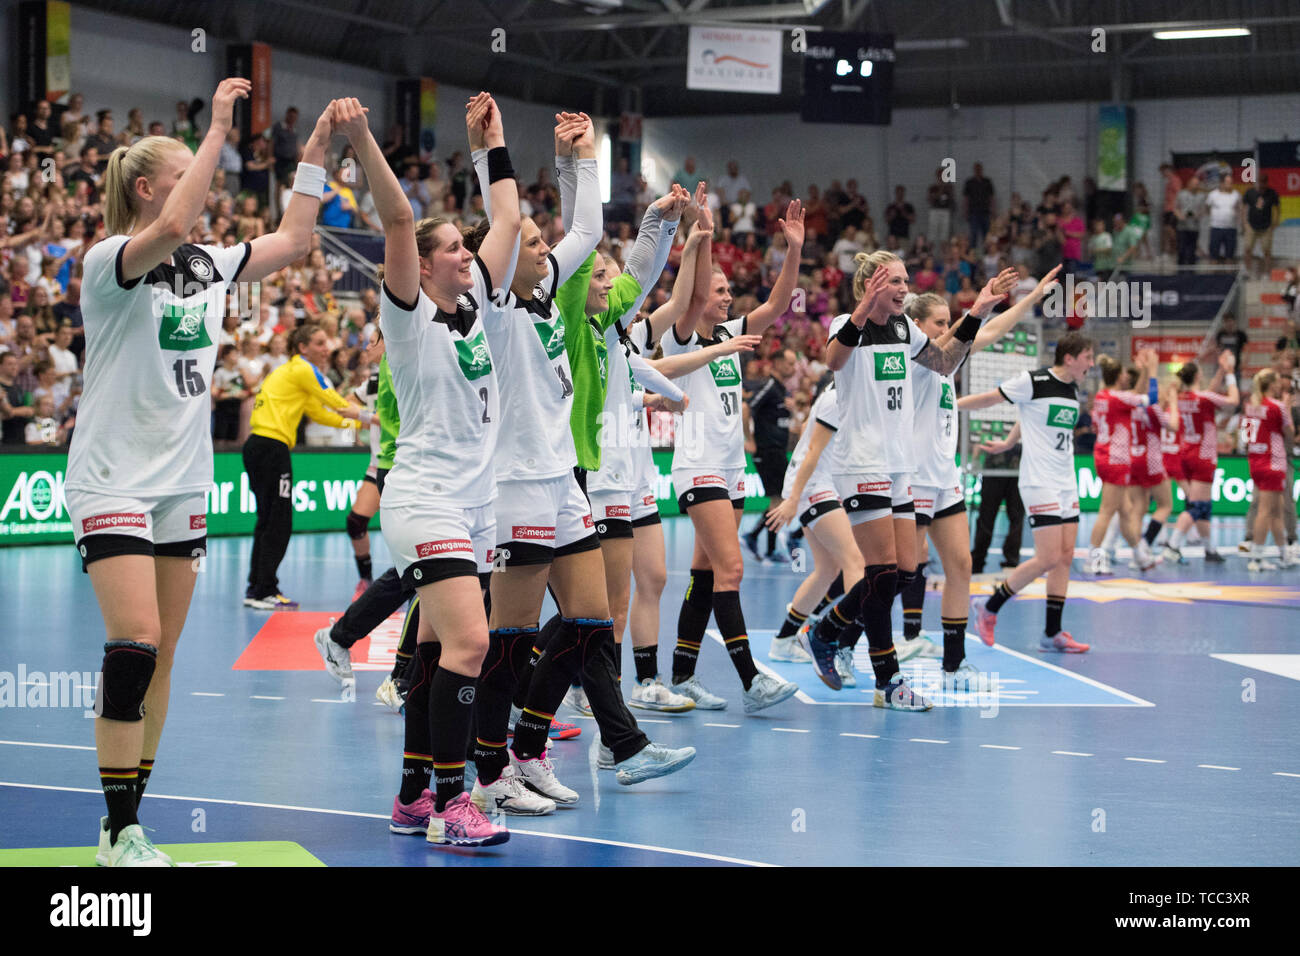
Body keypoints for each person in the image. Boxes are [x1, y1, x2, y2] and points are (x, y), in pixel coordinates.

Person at [67, 80, 332, 867]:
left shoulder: (209, 266)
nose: (202, 186)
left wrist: (314, 156)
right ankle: (115, 831)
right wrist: (219, 126)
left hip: (182, 481)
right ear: (148, 187)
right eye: (187, 170)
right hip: (111, 478)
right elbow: (177, 220)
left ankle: (132, 821)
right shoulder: (109, 262)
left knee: (168, 653)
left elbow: (296, 240)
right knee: (136, 644)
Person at [340, 92, 516, 847]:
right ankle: (452, 806)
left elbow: (504, 220)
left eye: (464, 252)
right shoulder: (409, 320)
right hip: (425, 499)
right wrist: (360, 138)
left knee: (443, 651)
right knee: (472, 646)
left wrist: (493, 148)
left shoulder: (481, 310)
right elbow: (401, 221)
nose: (464, 258)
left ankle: (412, 798)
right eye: (454, 250)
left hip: (476, 506)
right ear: (431, 262)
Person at [802, 250, 1004, 707]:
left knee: (903, 572)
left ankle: (827, 629)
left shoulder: (904, 328)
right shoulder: (844, 324)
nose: (903, 289)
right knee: (881, 571)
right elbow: (834, 361)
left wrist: (976, 313)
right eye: (894, 281)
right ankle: (887, 681)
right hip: (862, 463)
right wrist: (861, 308)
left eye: (906, 281)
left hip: (899, 465)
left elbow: (946, 362)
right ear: (872, 283)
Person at [663, 192, 803, 713]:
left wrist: (793, 253)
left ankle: (681, 674)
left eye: (728, 289)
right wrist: (703, 234)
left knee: (705, 575)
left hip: (729, 468)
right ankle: (751, 679)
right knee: (732, 570)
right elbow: (694, 294)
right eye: (719, 289)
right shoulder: (683, 337)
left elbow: (776, 305)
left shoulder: (731, 332)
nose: (726, 296)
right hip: (698, 467)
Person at [897, 269, 1059, 679]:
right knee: (901, 571)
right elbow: (964, 332)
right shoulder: (912, 357)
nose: (946, 326)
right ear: (918, 327)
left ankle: (954, 662)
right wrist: (976, 310)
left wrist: (1031, 297)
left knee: (960, 567)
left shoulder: (950, 360)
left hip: (944, 478)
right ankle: (840, 633)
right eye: (938, 321)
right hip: (914, 476)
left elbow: (992, 331)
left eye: (948, 319)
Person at [962, 332, 1096, 652]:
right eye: (1088, 357)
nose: (1091, 363)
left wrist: (1009, 442)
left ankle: (1052, 633)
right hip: (1039, 481)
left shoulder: (1072, 389)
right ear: (1070, 358)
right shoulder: (1032, 380)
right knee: (1047, 557)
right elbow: (992, 397)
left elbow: (1030, 416)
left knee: (1064, 558)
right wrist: (948, 405)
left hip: (1066, 481)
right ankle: (989, 606)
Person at [242, 322, 374, 609]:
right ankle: (263, 589)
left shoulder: (293, 374)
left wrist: (357, 422)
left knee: (268, 520)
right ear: (303, 348)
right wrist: (374, 419)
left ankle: (257, 588)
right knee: (278, 521)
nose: (326, 348)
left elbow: (320, 413)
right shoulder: (303, 369)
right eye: (319, 343)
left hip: (260, 446)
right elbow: (334, 401)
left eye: (326, 342)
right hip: (271, 447)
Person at [1164, 352, 1240, 564]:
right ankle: (1173, 545)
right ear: (1198, 376)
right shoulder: (1204, 399)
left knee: (1204, 505)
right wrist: (1231, 373)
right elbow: (1233, 401)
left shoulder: (1182, 398)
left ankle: (1209, 550)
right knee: (1197, 506)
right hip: (1203, 456)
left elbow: (1208, 393)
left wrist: (1221, 370)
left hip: (1186, 453)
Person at [1086, 355, 1154, 575]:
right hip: (1115, 458)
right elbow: (1144, 396)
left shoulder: (1101, 395)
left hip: (1105, 455)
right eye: (1125, 373)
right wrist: (1147, 370)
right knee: (1107, 511)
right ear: (1117, 376)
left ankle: (1140, 555)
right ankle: (1093, 559)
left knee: (1125, 511)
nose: (1127, 376)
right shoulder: (1117, 398)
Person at [341, 329, 390, 602]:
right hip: (377, 463)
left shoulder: (401, 372)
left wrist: (359, 415)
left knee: (400, 533)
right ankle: (366, 580)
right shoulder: (372, 379)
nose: (367, 347)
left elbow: (395, 419)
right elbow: (349, 401)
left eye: (373, 343)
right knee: (356, 522)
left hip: (401, 463)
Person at [742, 347, 798, 563]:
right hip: (767, 450)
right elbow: (747, 408)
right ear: (777, 363)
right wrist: (749, 439)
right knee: (780, 499)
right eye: (790, 364)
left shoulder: (781, 389)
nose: (793, 369)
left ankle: (763, 544)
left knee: (778, 500)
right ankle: (756, 539)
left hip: (777, 450)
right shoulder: (768, 386)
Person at [1240, 369, 1295, 570]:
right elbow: (1290, 434)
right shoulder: (1277, 406)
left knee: (1276, 511)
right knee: (1265, 511)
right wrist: (1287, 409)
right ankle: (1256, 557)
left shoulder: (1251, 406)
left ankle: (1284, 555)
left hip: (1256, 462)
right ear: (1272, 384)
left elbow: (1245, 437)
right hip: (1273, 462)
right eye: (1278, 381)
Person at [1242, 174, 1281, 277]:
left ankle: (1266, 272)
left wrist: (1275, 222)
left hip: (1266, 226)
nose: (1261, 185)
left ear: (1266, 183)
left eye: (1263, 183)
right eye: (1259, 183)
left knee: (1266, 250)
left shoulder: (1272, 193)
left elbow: (1277, 208)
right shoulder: (1250, 192)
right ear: (1257, 182)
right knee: (1247, 248)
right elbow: (1245, 207)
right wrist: (1244, 222)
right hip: (1251, 225)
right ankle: (1247, 270)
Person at [1204, 172, 1242, 265]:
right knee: (1214, 255)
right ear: (1221, 183)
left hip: (1231, 228)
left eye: (1231, 182)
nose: (1230, 184)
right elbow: (1207, 208)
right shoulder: (1213, 195)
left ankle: (1229, 277)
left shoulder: (1236, 195)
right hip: (1216, 228)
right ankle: (1213, 277)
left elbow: (1240, 209)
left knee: (1230, 255)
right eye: (1227, 182)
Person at [1174, 173, 1204, 266]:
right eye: (1194, 183)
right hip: (1182, 227)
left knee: (1192, 249)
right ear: (1189, 184)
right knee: (1181, 249)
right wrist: (1180, 216)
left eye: (1197, 184)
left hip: (1194, 227)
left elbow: (1204, 210)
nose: (1196, 186)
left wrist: (1197, 215)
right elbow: (1175, 208)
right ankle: (1180, 270)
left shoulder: (1201, 196)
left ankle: (1191, 271)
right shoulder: (1181, 194)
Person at [963, 162, 994, 249]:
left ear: (982, 170)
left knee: (987, 235)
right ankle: (973, 254)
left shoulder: (987, 181)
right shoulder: (969, 182)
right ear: (974, 170)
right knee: (973, 235)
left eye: (979, 169)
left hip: (985, 211)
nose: (978, 171)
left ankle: (986, 253)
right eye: (976, 169)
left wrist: (992, 210)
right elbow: (966, 198)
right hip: (973, 212)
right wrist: (965, 211)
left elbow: (991, 197)